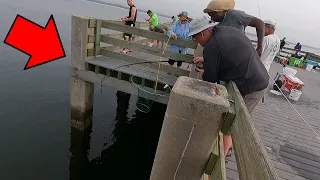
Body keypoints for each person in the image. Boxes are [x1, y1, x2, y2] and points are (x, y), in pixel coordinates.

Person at [189, 16, 269, 158]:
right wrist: (207, 60)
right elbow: (226, 53)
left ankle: (222, 156)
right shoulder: (227, 31)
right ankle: (226, 148)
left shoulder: (211, 46)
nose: (196, 41)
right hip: (259, 76)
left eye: (194, 37)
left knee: (231, 124)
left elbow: (210, 80)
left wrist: (204, 70)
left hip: (252, 87)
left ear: (202, 33)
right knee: (231, 121)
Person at [193, 0, 265, 61]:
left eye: (212, 15)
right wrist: (205, 58)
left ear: (219, 12)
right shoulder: (218, 24)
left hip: (238, 55)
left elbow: (260, 23)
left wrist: (259, 47)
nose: (211, 19)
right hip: (227, 56)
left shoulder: (236, 15)